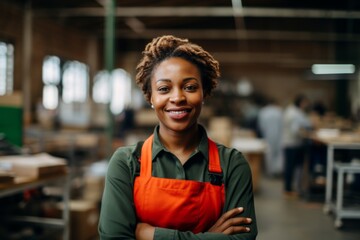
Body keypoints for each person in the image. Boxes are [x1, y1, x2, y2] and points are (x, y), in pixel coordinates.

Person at [98, 35, 257, 240]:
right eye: (164, 89)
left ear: (205, 92)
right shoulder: (126, 163)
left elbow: (242, 239)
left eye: (190, 87)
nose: (178, 98)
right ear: (150, 97)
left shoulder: (232, 164)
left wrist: (152, 234)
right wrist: (209, 237)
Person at [282, 94, 313, 196]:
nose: (306, 105)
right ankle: (288, 189)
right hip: (292, 143)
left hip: (295, 143)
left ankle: (292, 188)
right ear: (301, 102)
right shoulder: (293, 113)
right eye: (305, 102)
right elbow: (295, 130)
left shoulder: (295, 112)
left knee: (294, 167)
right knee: (290, 167)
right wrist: (306, 134)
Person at [257, 97, 283, 177]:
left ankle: (270, 172)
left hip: (267, 135)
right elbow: (282, 124)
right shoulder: (279, 111)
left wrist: (263, 134)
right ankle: (278, 170)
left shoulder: (263, 112)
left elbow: (261, 125)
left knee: (269, 153)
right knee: (278, 153)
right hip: (278, 135)